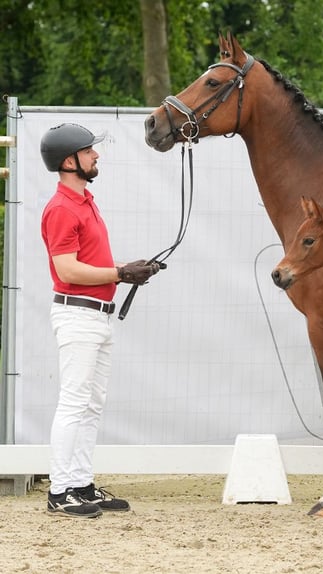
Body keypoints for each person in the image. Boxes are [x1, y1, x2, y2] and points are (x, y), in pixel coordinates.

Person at [40, 123, 161, 518]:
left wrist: (129, 267)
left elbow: (89, 262)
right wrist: (119, 275)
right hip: (78, 315)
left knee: (91, 405)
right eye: (89, 151)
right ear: (68, 161)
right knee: (74, 403)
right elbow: (68, 269)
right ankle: (60, 492)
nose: (97, 156)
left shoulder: (85, 202)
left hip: (97, 316)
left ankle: (80, 483)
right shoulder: (60, 208)